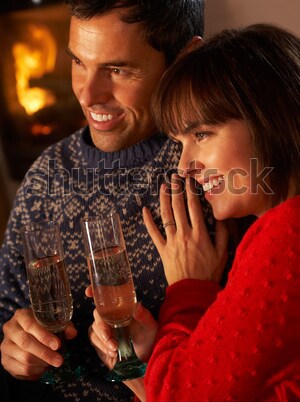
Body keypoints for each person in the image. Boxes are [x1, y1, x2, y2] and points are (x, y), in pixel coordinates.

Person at [0, 0, 216, 401]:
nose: (87, 93)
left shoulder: (215, 173)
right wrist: (13, 348)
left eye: (118, 70)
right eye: (78, 62)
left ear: (186, 58)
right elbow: (5, 311)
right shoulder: (43, 179)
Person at [89, 23, 300, 401]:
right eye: (180, 142)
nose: (185, 165)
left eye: (201, 134)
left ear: (268, 115)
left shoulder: (288, 233)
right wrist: (152, 361)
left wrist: (187, 292)